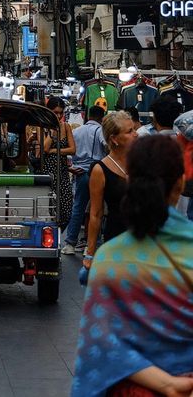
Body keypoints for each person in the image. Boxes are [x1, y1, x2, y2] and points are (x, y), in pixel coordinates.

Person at [72, 137, 193, 397]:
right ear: (180, 182)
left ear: (130, 181)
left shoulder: (109, 258)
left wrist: (164, 385)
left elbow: (101, 343)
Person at [82, 111, 138, 275]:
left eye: (134, 129)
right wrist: (90, 253)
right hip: (117, 238)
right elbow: (96, 214)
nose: (136, 134)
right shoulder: (100, 169)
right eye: (129, 132)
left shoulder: (143, 161)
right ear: (114, 139)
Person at [62, 106, 106, 256]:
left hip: (79, 173)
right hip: (96, 173)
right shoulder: (100, 131)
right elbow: (106, 146)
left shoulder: (76, 131)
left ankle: (70, 243)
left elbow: (69, 154)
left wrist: (73, 166)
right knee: (96, 209)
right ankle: (91, 245)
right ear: (102, 117)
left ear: (87, 116)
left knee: (78, 208)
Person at [42, 97, 76, 230]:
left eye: (61, 112)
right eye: (55, 112)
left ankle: (59, 233)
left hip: (62, 173)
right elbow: (44, 148)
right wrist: (53, 132)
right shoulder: (43, 127)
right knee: (48, 208)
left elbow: (72, 149)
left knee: (66, 209)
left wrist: (54, 150)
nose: (58, 115)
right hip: (47, 174)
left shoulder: (66, 127)